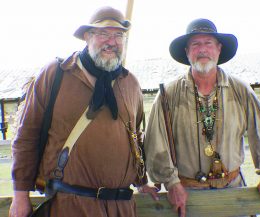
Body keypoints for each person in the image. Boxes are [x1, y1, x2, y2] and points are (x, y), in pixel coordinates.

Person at [9, 6, 156, 217]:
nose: (111, 42)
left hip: (121, 208)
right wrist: (20, 196)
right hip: (70, 206)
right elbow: (27, 135)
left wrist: (141, 183)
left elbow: (135, 138)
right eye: (104, 34)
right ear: (87, 36)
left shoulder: (130, 83)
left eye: (118, 35)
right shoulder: (55, 74)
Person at [144, 18, 260, 217]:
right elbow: (156, 144)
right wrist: (172, 183)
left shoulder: (240, 90)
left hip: (233, 193)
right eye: (196, 44)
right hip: (187, 197)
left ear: (218, 49)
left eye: (208, 43)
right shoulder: (168, 94)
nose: (203, 49)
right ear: (187, 52)